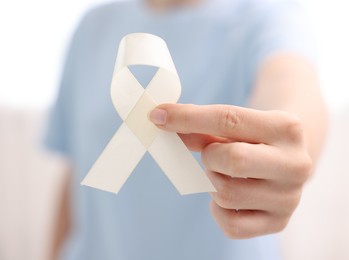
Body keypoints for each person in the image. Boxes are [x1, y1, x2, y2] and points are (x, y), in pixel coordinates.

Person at [45, 0, 327, 259]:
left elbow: (293, 87)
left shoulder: (268, 18)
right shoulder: (93, 26)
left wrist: (289, 146)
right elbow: (78, 170)